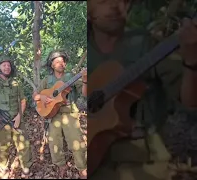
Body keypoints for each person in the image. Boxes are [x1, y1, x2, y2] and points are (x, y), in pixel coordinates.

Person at [88, 0, 197, 180]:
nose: (115, 6)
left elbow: (191, 101)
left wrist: (192, 62)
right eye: (103, 1)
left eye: (122, 1)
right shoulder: (82, 51)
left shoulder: (147, 45)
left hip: (145, 162)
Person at [32, 50, 87, 179]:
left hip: (69, 113)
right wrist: (41, 97)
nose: (60, 63)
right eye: (57, 62)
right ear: (52, 65)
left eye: (62, 61)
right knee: (54, 143)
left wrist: (84, 79)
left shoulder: (71, 77)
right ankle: (61, 165)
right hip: (53, 115)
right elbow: (35, 95)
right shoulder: (47, 80)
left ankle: (82, 168)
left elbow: (85, 94)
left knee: (77, 142)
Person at [0, 55, 33, 178]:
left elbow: (23, 100)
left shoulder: (16, 82)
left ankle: (26, 168)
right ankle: (2, 168)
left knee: (24, 145)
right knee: (2, 146)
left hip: (15, 118)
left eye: (8, 65)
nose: (7, 67)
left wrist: (19, 116)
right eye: (4, 65)